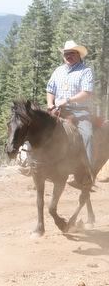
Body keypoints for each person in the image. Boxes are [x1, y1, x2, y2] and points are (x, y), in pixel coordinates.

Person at [46, 40, 95, 188]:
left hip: (79, 111)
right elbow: (50, 90)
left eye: (72, 53)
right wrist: (50, 106)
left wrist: (67, 100)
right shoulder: (58, 71)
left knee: (88, 135)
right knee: (36, 125)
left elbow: (87, 92)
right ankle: (30, 163)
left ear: (78, 55)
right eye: (66, 54)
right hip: (58, 110)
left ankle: (88, 172)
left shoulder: (85, 71)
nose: (68, 56)